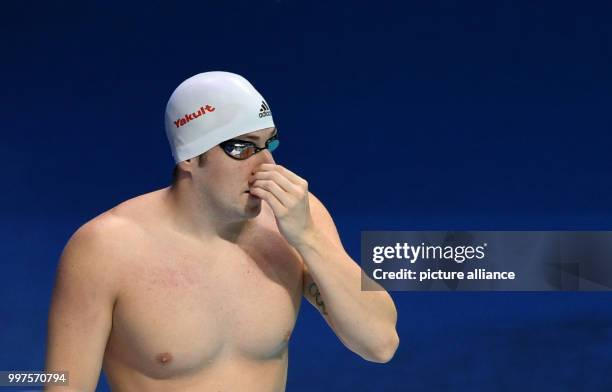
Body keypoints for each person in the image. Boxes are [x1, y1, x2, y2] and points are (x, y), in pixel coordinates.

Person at [45, 71, 399, 392]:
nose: (266, 167)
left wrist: (308, 238)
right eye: (242, 148)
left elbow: (380, 344)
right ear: (189, 157)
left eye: (269, 144)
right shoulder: (105, 249)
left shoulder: (295, 221)